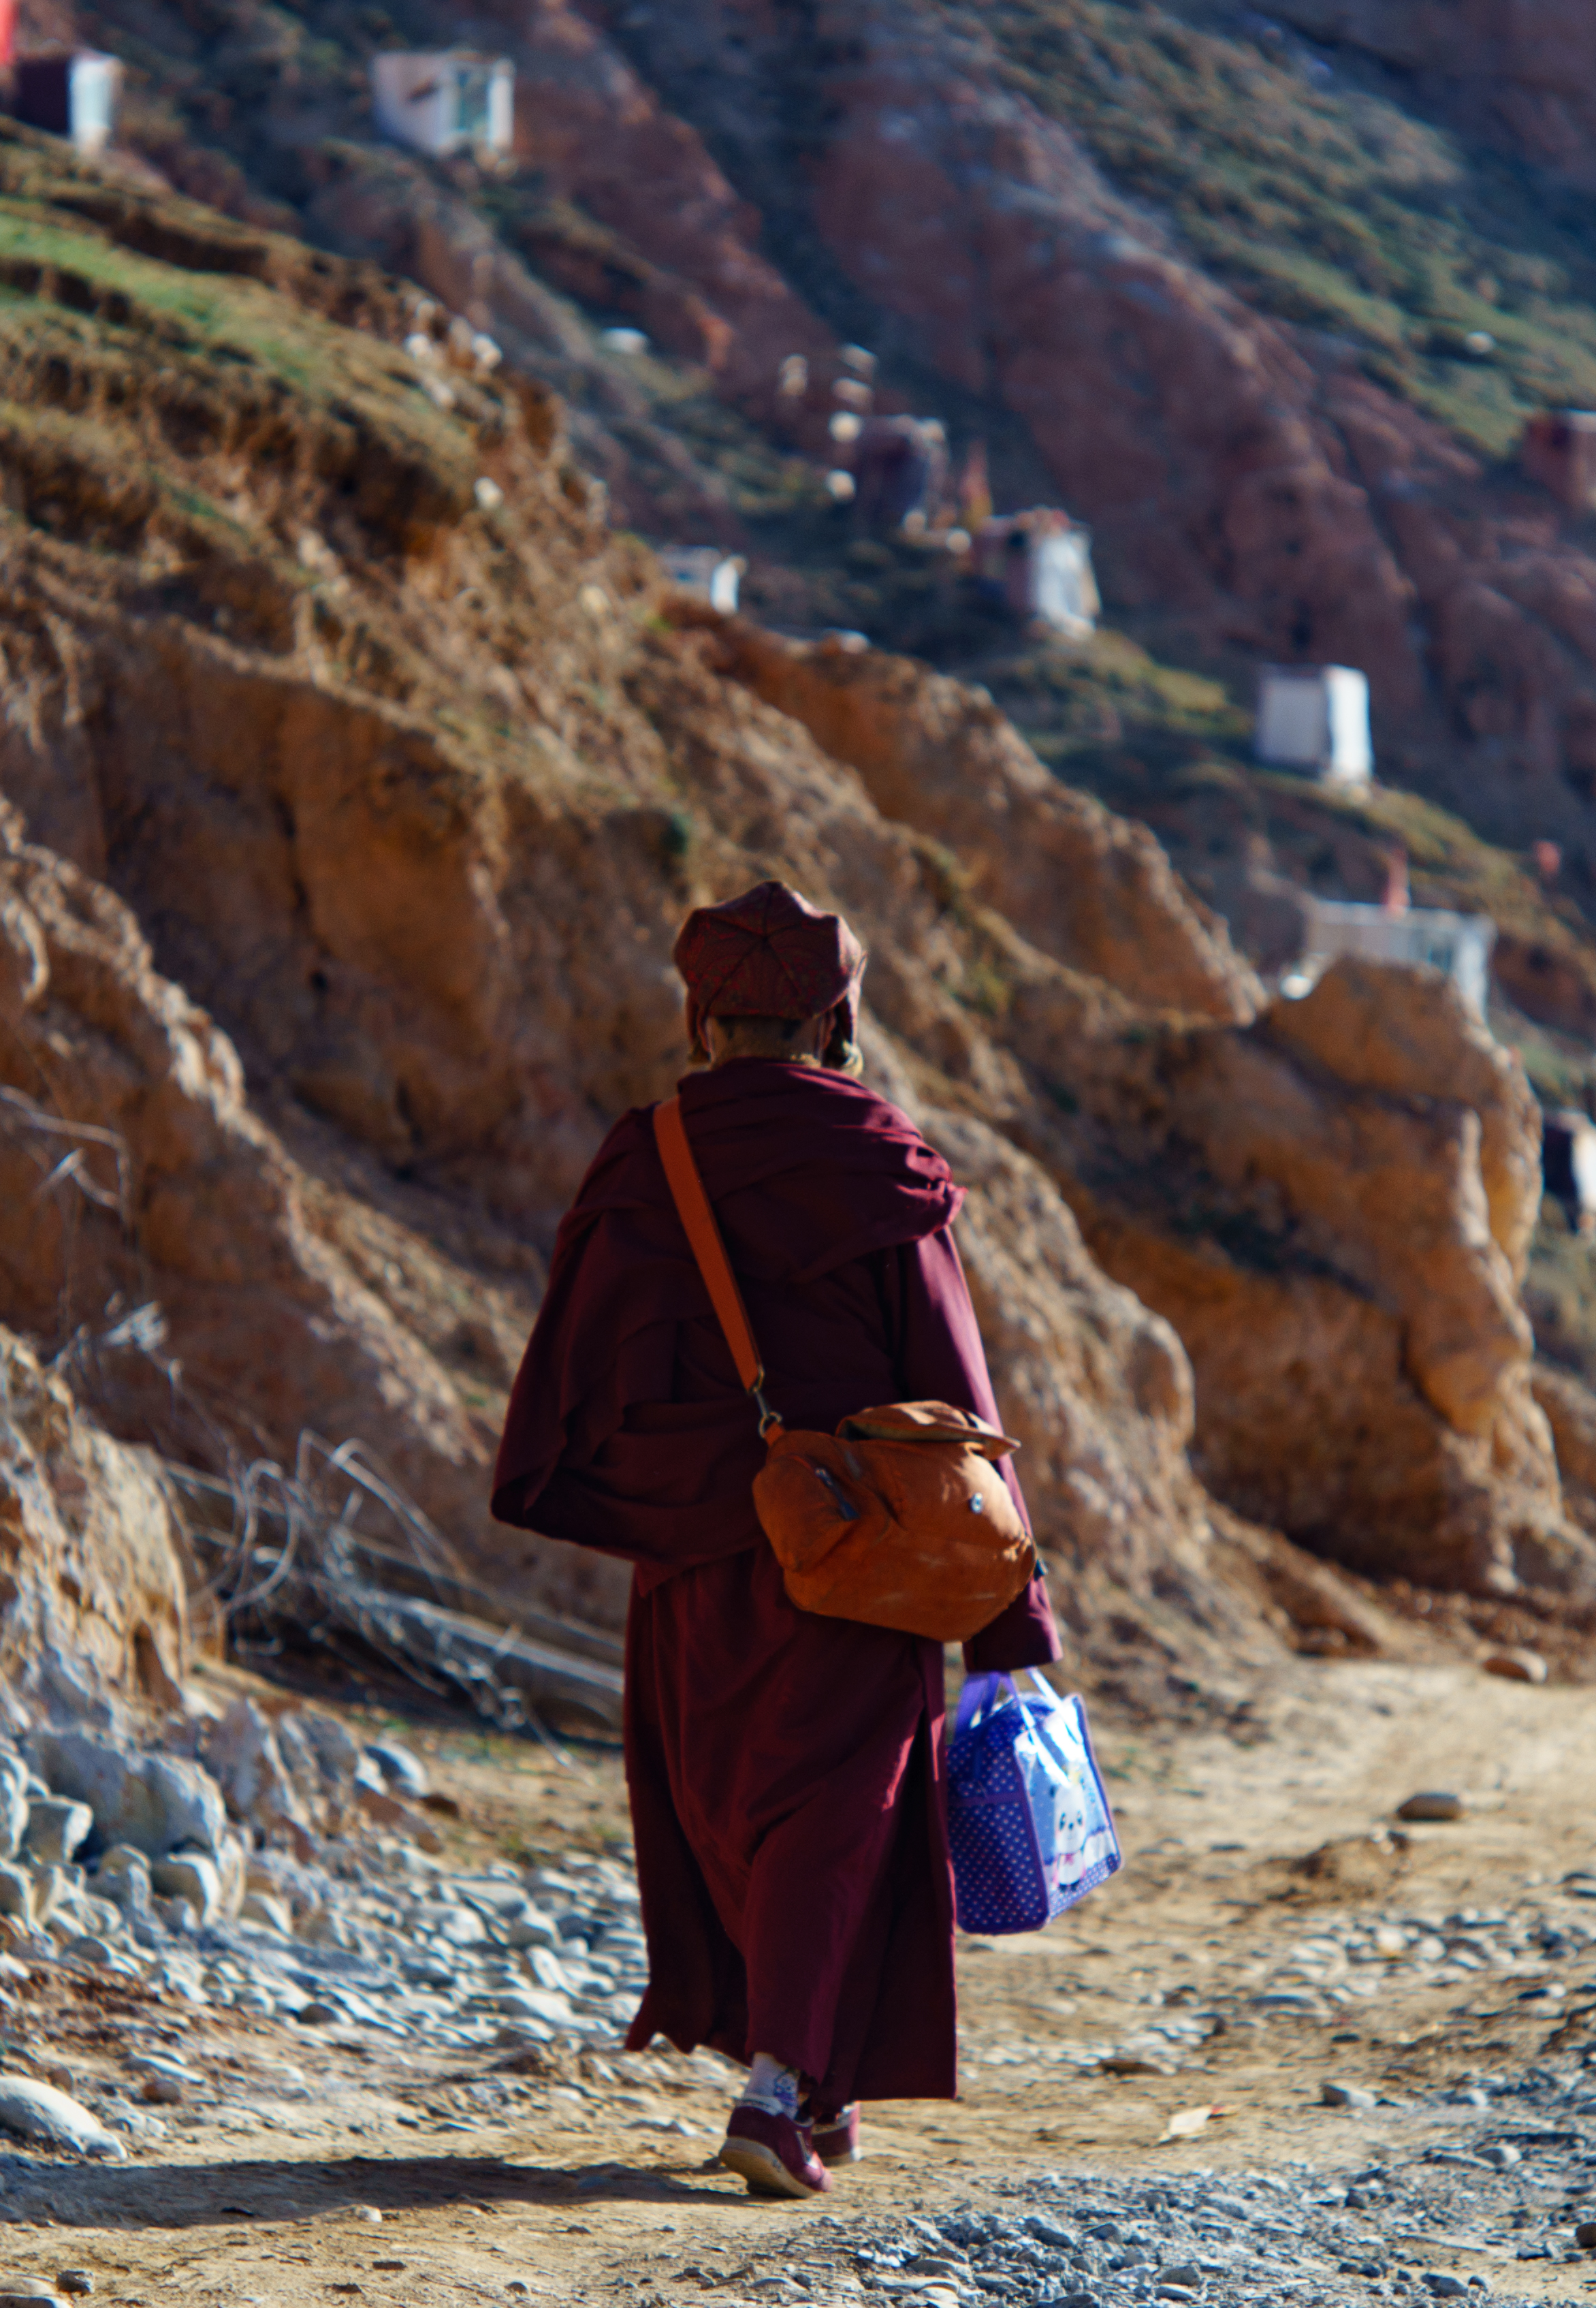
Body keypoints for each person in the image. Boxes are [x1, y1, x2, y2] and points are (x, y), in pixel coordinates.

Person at [492, 884, 1061, 2201]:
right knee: (835, 1812)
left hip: (695, 1545)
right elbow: (953, 1392)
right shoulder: (878, 1158)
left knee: (731, 1807)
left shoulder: (646, 1156)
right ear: (834, 1013)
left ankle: (816, 2078)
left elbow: (576, 1366)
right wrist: (1010, 1608)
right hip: (862, 1547)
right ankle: (771, 2088)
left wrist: (664, 1491)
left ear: (702, 1014)